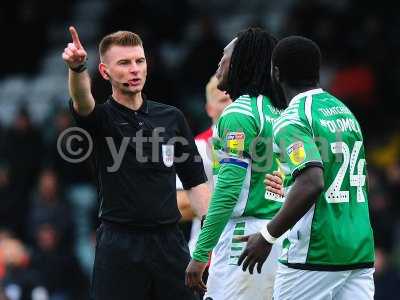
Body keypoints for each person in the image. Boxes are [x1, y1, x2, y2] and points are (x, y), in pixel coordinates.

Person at [62, 26, 210, 300]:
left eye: (139, 61)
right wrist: (78, 68)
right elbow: (82, 101)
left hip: (170, 243)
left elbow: (195, 183)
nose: (135, 69)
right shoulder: (102, 118)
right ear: (105, 72)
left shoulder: (172, 117)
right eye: (124, 63)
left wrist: (213, 240)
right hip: (120, 246)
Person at [237, 36, 375, 300]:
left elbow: (312, 182)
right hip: (359, 250)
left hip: (315, 253)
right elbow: (355, 180)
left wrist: (267, 236)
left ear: (276, 72)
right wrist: (289, 187)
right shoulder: (345, 113)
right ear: (317, 71)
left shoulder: (293, 118)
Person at [185, 27, 286, 300]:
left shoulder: (238, 113)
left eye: (225, 57)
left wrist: (201, 252)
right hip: (280, 237)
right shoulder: (281, 111)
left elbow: (228, 190)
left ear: (243, 61)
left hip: (245, 240)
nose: (219, 64)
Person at [177, 75, 232, 254]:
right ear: (209, 109)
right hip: (210, 253)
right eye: (223, 100)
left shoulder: (263, 143)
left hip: (255, 248)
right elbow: (178, 205)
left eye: (235, 99)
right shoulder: (198, 147)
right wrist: (229, 200)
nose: (231, 105)